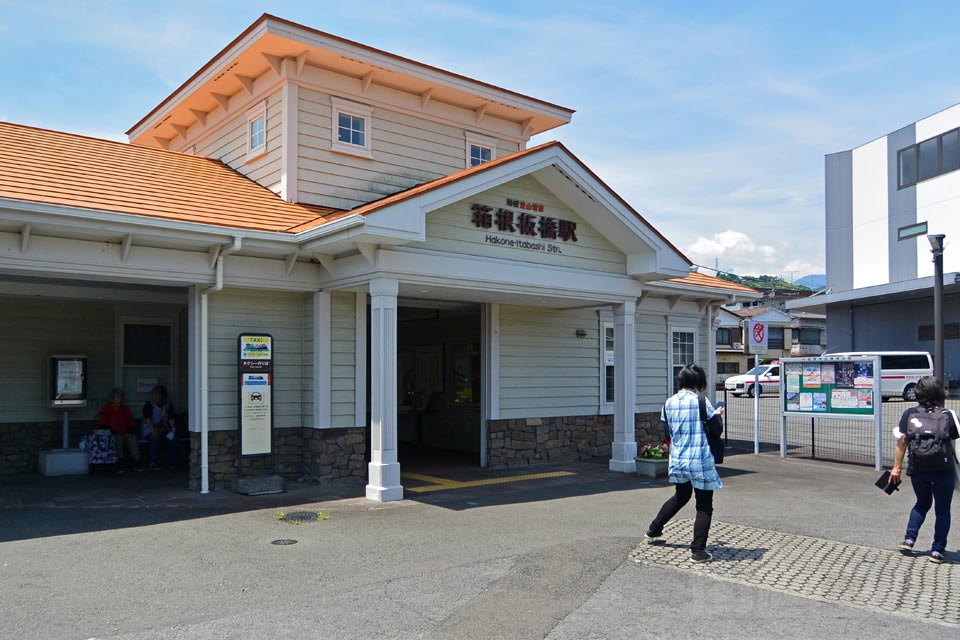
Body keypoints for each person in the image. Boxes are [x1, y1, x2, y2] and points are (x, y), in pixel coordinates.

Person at [645, 364, 724, 562]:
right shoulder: (701, 401)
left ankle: (654, 529)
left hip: (678, 460)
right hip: (699, 460)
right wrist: (718, 415)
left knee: (681, 496)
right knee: (704, 506)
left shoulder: (668, 403)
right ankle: (698, 551)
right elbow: (717, 430)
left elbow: (667, 434)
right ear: (698, 381)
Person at [890, 375, 958, 564]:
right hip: (943, 469)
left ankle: (909, 539)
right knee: (943, 510)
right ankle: (937, 550)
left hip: (918, 468)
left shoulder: (909, 414)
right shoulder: (948, 415)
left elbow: (902, 441)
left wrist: (896, 467)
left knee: (922, 503)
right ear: (940, 393)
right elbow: (955, 437)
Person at [97, 388, 141, 472]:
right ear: (112, 399)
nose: (119, 400)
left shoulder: (125, 409)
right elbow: (102, 424)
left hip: (125, 432)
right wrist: (111, 430)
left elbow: (131, 422)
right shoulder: (107, 409)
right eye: (117, 398)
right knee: (117, 440)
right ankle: (120, 462)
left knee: (132, 438)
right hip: (113, 433)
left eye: (121, 397)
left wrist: (131, 430)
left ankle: (137, 460)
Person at [142, 385, 178, 471]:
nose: (153, 396)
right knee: (155, 438)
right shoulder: (149, 405)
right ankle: (153, 463)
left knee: (172, 439)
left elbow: (171, 419)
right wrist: (153, 431)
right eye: (153, 394)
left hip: (163, 428)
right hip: (149, 428)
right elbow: (148, 419)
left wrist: (170, 430)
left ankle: (172, 463)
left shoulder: (168, 405)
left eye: (156, 394)